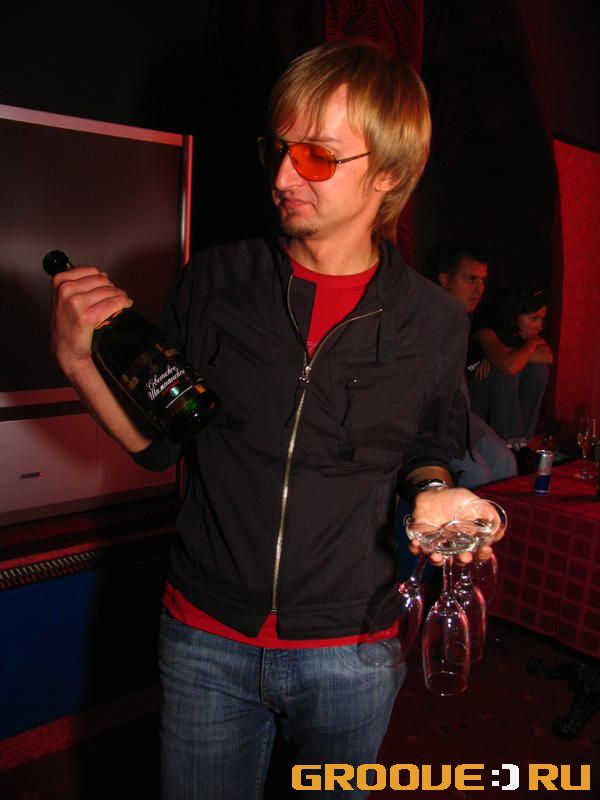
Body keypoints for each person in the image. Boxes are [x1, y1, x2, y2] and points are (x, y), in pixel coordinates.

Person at [50, 40, 498, 800]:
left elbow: (427, 445)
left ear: (388, 174)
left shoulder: (434, 320)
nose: (284, 177)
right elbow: (159, 443)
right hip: (204, 636)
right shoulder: (215, 279)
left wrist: (433, 492)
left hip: (353, 647)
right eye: (278, 150)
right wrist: (78, 362)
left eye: (318, 156)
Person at [428, 242, 517, 487]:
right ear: (445, 279)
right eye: (470, 280)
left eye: (483, 281)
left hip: (461, 413)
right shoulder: (428, 317)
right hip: (431, 417)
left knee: (506, 463)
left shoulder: (462, 319)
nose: (479, 289)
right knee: (477, 474)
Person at [468, 286, 553, 468]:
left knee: (539, 371)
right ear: (516, 316)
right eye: (534, 318)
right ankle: (510, 444)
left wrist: (521, 348)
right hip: (473, 404)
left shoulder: (528, 337)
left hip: (504, 405)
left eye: (542, 319)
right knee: (505, 372)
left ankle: (522, 443)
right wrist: (528, 346)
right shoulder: (487, 329)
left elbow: (547, 357)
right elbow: (509, 366)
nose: (540, 326)